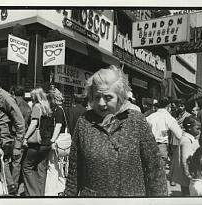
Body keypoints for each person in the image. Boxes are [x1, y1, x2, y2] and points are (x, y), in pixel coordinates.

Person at [64, 65, 167, 196]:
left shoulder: (136, 121)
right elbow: (74, 171)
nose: (101, 103)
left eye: (108, 97)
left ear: (119, 96)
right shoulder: (84, 122)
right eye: (97, 97)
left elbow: (155, 169)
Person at [0, 79, 25, 195]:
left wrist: (18, 145)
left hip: (3, 138)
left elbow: (20, 121)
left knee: (2, 163)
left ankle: (11, 190)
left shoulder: (5, 97)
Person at [22, 88, 53, 196]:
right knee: (41, 168)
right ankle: (40, 194)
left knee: (27, 167)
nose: (31, 99)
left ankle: (33, 194)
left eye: (32, 97)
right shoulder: (47, 108)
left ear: (35, 97)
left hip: (37, 143)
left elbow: (34, 124)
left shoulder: (36, 107)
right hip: (47, 143)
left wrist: (25, 138)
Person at [44, 88, 69, 196]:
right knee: (59, 167)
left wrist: (52, 140)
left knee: (52, 166)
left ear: (54, 99)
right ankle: (60, 189)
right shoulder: (63, 109)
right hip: (62, 141)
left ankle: (50, 192)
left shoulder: (58, 110)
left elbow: (58, 126)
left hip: (57, 141)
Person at [146, 98, 183, 167]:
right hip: (161, 147)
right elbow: (179, 135)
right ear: (168, 106)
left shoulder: (149, 117)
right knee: (160, 173)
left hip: (149, 146)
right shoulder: (168, 118)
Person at [171, 116, 201, 196]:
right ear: (189, 128)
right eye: (197, 129)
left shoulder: (188, 138)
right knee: (187, 193)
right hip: (187, 174)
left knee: (185, 192)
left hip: (186, 173)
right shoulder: (186, 141)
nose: (199, 131)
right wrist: (189, 175)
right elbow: (185, 160)